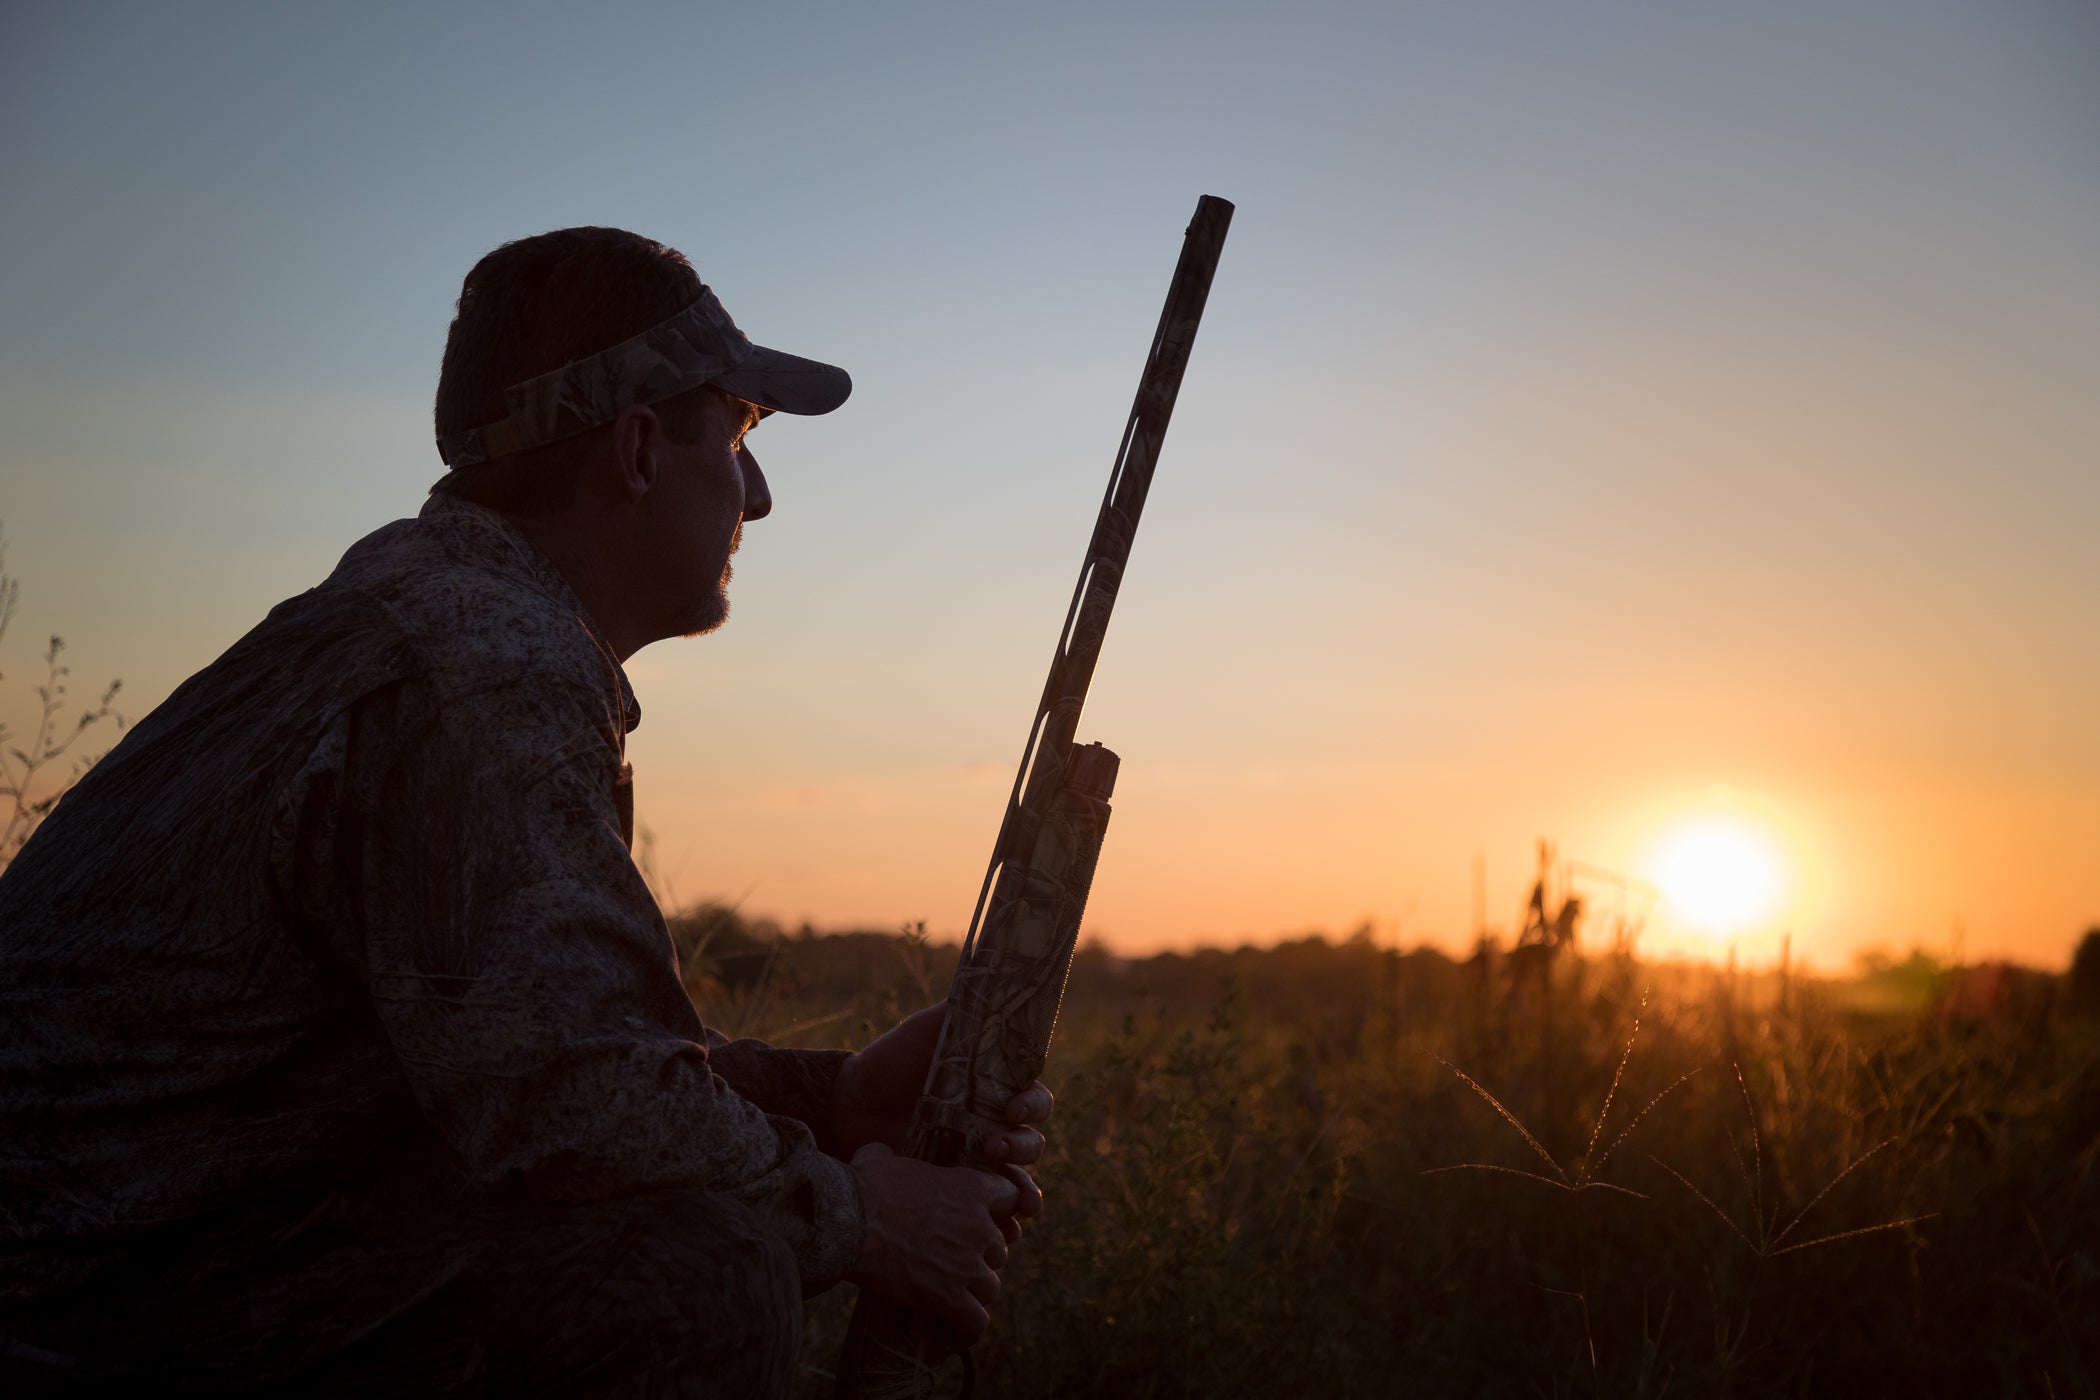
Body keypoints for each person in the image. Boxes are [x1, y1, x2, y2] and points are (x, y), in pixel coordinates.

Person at [0, 226, 1046, 1395]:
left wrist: (832, 1098)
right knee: (696, 1276)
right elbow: (570, 1107)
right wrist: (857, 1215)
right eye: (742, 432)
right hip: (83, 1302)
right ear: (640, 447)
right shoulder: (482, 665)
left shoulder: (433, 612)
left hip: (148, 1250)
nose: (759, 491)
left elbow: (536, 1053)